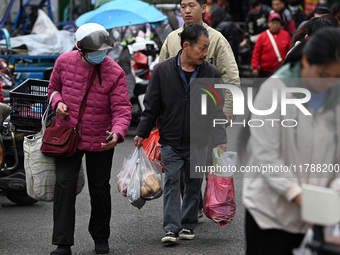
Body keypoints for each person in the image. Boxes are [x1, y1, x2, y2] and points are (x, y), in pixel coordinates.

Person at [242, 27, 340, 255]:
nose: (329, 83)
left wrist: (333, 196)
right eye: (323, 74)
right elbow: (266, 155)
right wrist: (300, 197)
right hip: (271, 214)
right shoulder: (274, 90)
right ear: (305, 61)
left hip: (320, 215)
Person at [134, 23, 227, 244]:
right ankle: (170, 229)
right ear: (186, 45)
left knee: (193, 184)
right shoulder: (162, 70)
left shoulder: (211, 73)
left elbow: (216, 110)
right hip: (170, 140)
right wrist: (142, 132)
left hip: (199, 141)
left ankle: (187, 224)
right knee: (172, 183)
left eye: (207, 48)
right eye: (201, 48)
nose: (205, 53)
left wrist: (220, 139)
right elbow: (152, 105)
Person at [48, 23, 132, 255]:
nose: (101, 55)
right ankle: (63, 243)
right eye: (96, 51)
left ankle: (100, 238)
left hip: (101, 138)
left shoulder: (114, 71)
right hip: (68, 135)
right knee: (64, 186)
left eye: (104, 50)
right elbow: (53, 89)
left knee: (99, 189)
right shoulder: (63, 62)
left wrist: (117, 133)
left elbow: (122, 109)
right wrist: (58, 103)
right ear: (80, 48)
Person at [159, 0, 240, 124]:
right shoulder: (172, 39)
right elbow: (160, 75)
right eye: (183, 6)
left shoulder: (216, 39)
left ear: (203, 8)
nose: (187, 10)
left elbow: (229, 73)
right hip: (175, 110)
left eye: (191, 6)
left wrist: (230, 106)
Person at [251, 12, 291, 78]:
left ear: (280, 24)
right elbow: (256, 53)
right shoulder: (262, 36)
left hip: (280, 69)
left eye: (277, 23)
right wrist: (255, 67)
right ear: (268, 24)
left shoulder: (286, 35)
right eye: (273, 23)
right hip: (264, 70)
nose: (275, 25)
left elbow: (289, 51)